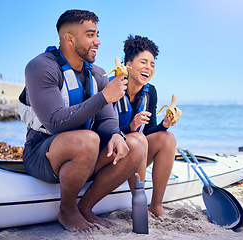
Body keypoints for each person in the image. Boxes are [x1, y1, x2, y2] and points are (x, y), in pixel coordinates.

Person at [20, 10, 145, 231]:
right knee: (88, 139)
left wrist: (116, 134)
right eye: (90, 35)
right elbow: (54, 122)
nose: (97, 41)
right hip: (41, 152)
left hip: (86, 152)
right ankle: (67, 210)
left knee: (134, 144)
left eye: (97, 34)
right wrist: (105, 96)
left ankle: (85, 208)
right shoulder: (41, 67)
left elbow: (107, 119)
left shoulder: (97, 74)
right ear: (69, 38)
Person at [116, 35, 177, 217]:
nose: (148, 68)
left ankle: (156, 205)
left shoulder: (150, 91)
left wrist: (163, 125)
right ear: (128, 64)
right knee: (137, 137)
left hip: (136, 151)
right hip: (110, 153)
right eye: (143, 62)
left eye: (152, 64)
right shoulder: (113, 86)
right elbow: (101, 128)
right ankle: (139, 203)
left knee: (167, 138)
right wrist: (131, 127)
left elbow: (150, 131)